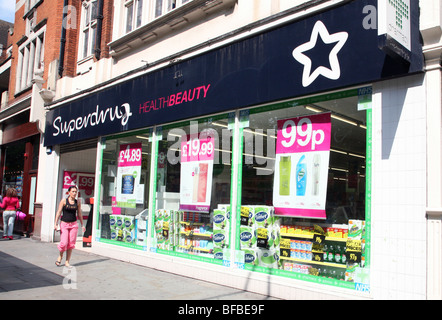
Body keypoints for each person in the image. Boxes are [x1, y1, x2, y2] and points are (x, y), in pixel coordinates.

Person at [54, 186, 86, 267]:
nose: (74, 193)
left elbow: (79, 214)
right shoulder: (64, 201)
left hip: (74, 224)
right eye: (73, 191)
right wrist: (55, 223)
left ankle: (67, 261)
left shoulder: (77, 202)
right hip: (64, 224)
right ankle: (60, 256)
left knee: (71, 244)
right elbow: (59, 212)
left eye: (76, 192)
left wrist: (82, 224)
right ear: (69, 192)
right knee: (64, 243)